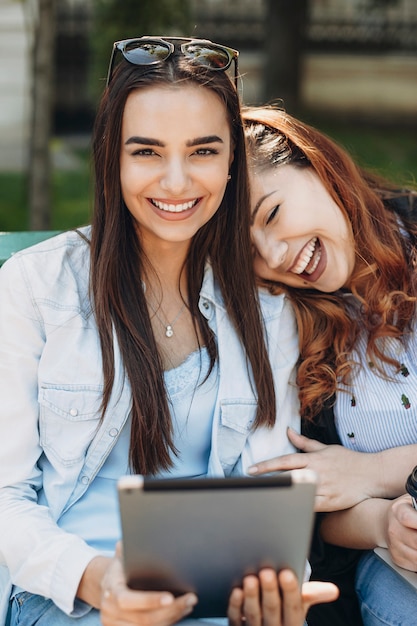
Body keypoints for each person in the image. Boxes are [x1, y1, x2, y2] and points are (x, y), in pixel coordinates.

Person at [0, 37, 337, 626]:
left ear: (233, 160)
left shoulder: (266, 310)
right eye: (147, 152)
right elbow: (5, 496)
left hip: (214, 602)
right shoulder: (35, 287)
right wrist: (102, 583)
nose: (176, 182)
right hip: (68, 596)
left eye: (203, 150)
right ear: (112, 158)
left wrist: (276, 588)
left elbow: (269, 493)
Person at [242, 105, 417, 626]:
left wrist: (374, 471)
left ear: (318, 166)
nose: (274, 256)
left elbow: (349, 475)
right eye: (247, 253)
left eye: (271, 215)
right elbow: (326, 511)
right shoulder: (292, 328)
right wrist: (387, 522)